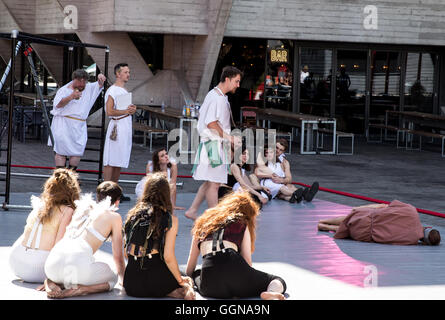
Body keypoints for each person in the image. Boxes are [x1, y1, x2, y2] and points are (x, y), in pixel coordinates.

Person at [185, 192, 286, 300]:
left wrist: (190, 278)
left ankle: (189, 288)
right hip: (234, 266)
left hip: (211, 284)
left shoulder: (202, 223)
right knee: (276, 280)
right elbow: (247, 262)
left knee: (197, 273)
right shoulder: (241, 222)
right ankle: (271, 293)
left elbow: (191, 264)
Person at [43, 181, 126, 298]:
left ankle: (51, 281)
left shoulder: (82, 209)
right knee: (113, 278)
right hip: (76, 268)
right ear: (117, 201)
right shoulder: (114, 217)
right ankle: (82, 289)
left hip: (51, 266)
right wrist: (123, 280)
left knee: (72, 267)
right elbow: (118, 256)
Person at [123, 173, 195, 299]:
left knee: (177, 274)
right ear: (166, 194)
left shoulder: (133, 215)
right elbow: (168, 257)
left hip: (131, 282)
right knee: (186, 278)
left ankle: (169, 290)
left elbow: (126, 253)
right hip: (154, 277)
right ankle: (178, 290)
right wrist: (180, 281)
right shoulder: (169, 218)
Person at [185, 66, 243, 220]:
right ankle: (214, 218)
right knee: (215, 184)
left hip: (215, 144)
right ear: (227, 79)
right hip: (213, 145)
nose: (238, 85)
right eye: (236, 81)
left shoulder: (219, 96)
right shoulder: (216, 97)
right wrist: (229, 139)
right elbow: (211, 123)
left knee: (210, 181)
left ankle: (193, 210)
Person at [9, 169, 79, 286]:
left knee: (36, 229)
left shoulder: (40, 204)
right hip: (38, 268)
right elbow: (59, 244)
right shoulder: (67, 210)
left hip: (16, 262)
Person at [49, 69, 106, 170]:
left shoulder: (87, 88)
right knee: (61, 151)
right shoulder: (64, 90)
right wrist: (71, 96)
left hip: (79, 125)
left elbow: (99, 85)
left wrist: (101, 79)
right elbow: (57, 105)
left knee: (77, 151)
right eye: (80, 81)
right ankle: (60, 177)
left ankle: (72, 175)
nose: (82, 84)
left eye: (84, 81)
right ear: (74, 79)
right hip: (63, 124)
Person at [317, 200, 441, 246]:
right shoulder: (410, 241)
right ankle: (326, 227)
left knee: (350, 218)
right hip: (364, 235)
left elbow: (383, 206)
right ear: (425, 242)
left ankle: (324, 221)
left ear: (429, 228)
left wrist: (362, 207)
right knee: (349, 230)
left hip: (366, 218)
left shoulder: (412, 211)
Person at [103, 63, 137, 201]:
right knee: (111, 158)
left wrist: (131, 110)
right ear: (118, 74)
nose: (128, 74)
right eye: (125, 72)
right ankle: (106, 192)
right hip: (117, 126)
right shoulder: (112, 90)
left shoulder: (122, 90)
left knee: (119, 158)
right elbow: (109, 111)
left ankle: (115, 192)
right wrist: (126, 111)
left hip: (125, 125)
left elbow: (125, 109)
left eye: (128, 72)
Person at [253, 140, 319, 203]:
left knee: (290, 186)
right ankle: (304, 195)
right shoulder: (264, 158)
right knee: (283, 188)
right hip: (268, 184)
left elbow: (289, 178)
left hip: (279, 184)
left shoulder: (284, 162)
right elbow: (256, 173)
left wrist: (281, 180)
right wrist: (270, 176)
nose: (277, 150)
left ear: (283, 152)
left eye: (281, 150)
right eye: (276, 148)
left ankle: (295, 197)